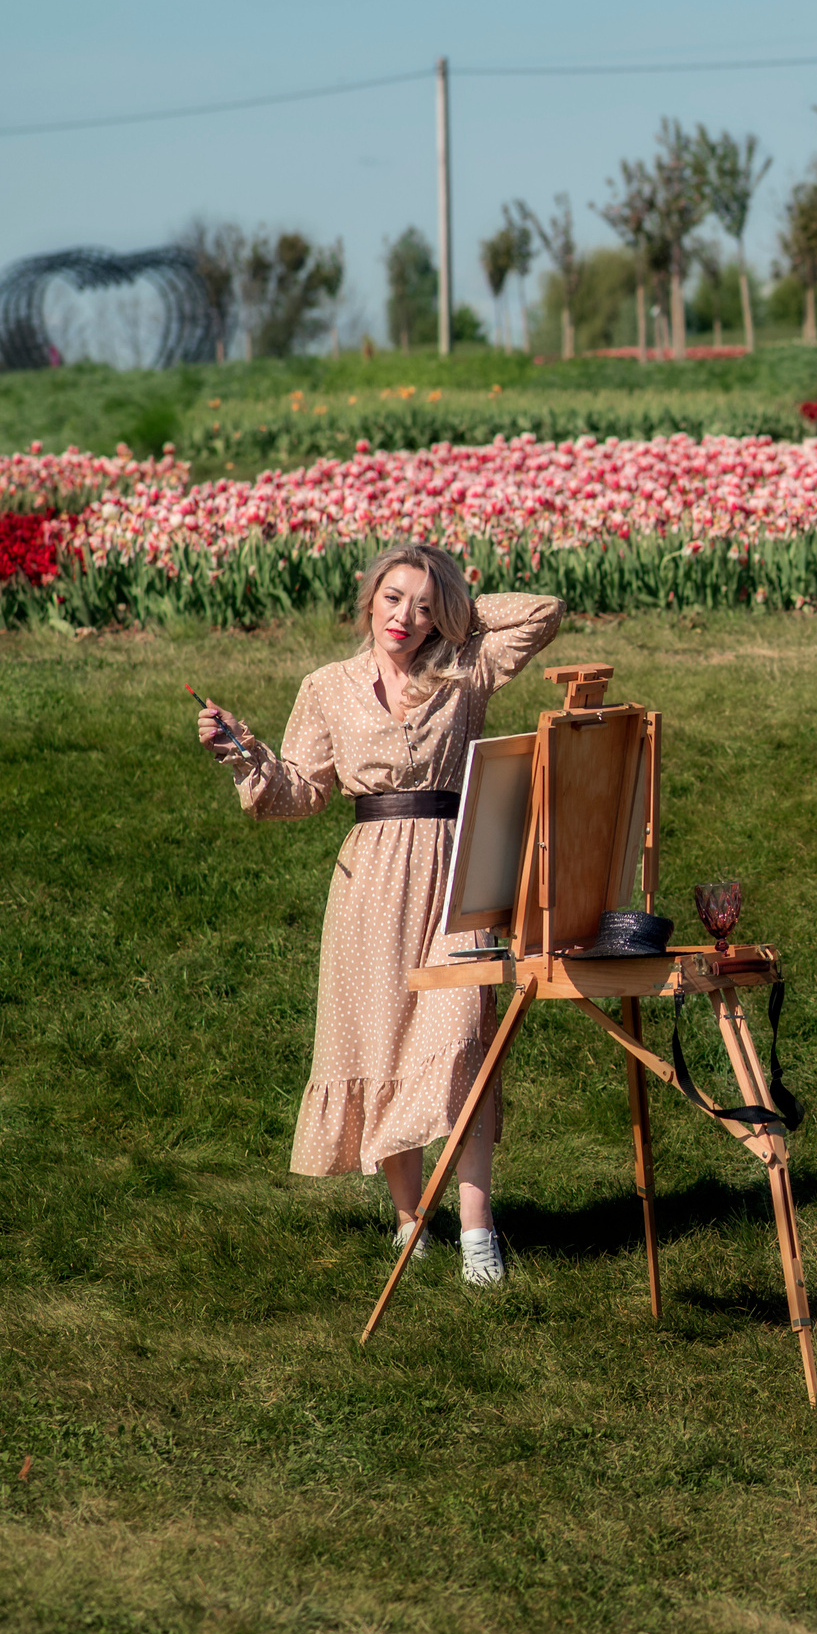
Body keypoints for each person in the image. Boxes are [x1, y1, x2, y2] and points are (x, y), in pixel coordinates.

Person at [195, 545, 564, 1285]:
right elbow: (298, 794)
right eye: (394, 598)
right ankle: (409, 1222)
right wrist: (244, 756)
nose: (405, 617)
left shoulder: (466, 669)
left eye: (424, 607)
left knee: (463, 1047)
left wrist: (456, 613)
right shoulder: (325, 687)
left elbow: (542, 613)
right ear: (369, 600)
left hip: (459, 874)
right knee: (385, 1046)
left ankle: (479, 1233)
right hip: (369, 888)